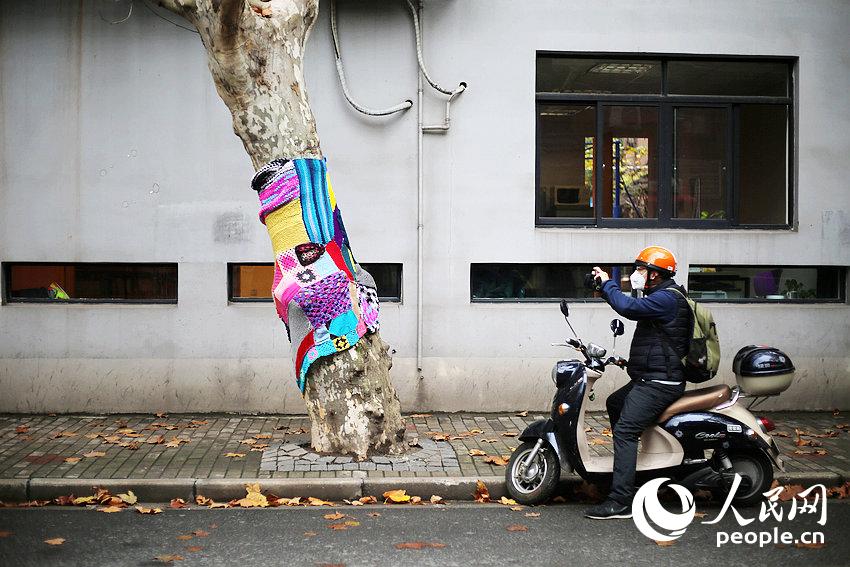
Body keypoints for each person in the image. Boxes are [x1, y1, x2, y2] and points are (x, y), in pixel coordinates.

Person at [584, 246, 691, 520]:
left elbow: (627, 307)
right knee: (615, 403)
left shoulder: (667, 298)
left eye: (641, 269)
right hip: (650, 377)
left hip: (660, 383)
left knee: (625, 431)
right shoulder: (659, 297)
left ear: (655, 274)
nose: (636, 274)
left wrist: (608, 283)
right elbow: (633, 312)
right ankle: (630, 469)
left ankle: (621, 500)